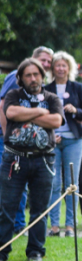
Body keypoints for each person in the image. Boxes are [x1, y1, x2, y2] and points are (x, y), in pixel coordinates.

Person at [0, 58, 64, 261]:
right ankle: (2, 250)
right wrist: (39, 112)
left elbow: (56, 120)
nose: (33, 78)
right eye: (28, 75)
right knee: (7, 206)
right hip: (14, 159)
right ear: (20, 78)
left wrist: (26, 116)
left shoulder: (52, 97)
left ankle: (36, 251)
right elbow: (10, 112)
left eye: (36, 74)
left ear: (42, 76)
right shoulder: (13, 95)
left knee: (40, 208)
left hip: (43, 160)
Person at [0, 46, 54, 235]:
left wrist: (26, 116)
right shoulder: (15, 79)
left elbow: (55, 119)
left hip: (41, 155)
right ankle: (6, 243)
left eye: (49, 62)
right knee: (9, 198)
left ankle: (22, 230)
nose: (46, 64)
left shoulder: (49, 93)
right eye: (43, 60)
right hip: (12, 148)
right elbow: (5, 109)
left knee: (37, 204)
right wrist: (9, 137)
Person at [44, 51, 82, 237]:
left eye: (64, 65)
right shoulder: (46, 88)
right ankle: (54, 226)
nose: (61, 68)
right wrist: (49, 133)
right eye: (57, 65)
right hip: (52, 142)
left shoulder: (77, 88)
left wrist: (76, 110)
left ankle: (70, 226)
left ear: (69, 68)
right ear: (52, 68)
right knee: (54, 184)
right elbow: (40, 115)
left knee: (72, 184)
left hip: (73, 141)